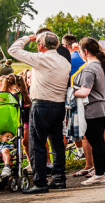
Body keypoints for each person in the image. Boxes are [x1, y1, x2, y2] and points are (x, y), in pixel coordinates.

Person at [9, 31, 70, 193]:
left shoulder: (41, 59)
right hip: (59, 105)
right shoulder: (64, 61)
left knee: (37, 144)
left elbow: (13, 50)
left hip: (41, 104)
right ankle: (59, 178)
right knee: (57, 144)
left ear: (40, 45)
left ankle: (40, 182)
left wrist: (27, 38)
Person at [74, 38, 105, 185]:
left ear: (85, 52)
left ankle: (99, 174)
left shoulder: (89, 68)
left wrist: (71, 92)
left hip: (93, 108)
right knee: (100, 143)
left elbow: (84, 91)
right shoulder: (102, 66)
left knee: (95, 142)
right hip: (102, 106)